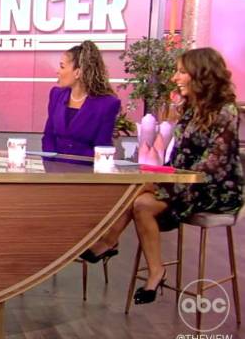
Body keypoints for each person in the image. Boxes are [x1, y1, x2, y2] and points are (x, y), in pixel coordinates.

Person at [81, 47, 243, 305]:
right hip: (185, 182)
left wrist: (168, 182)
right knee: (140, 200)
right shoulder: (190, 108)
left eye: (181, 72)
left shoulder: (226, 111)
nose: (175, 78)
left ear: (201, 74)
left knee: (140, 192)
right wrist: (163, 175)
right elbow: (179, 157)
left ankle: (109, 242)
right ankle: (155, 272)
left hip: (214, 190)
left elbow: (213, 164)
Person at [42, 40, 121, 157]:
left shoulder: (107, 104)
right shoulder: (56, 95)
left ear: (77, 73)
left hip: (86, 167)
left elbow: (102, 148)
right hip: (54, 166)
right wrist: (52, 163)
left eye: (62, 67)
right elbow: (48, 137)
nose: (57, 71)